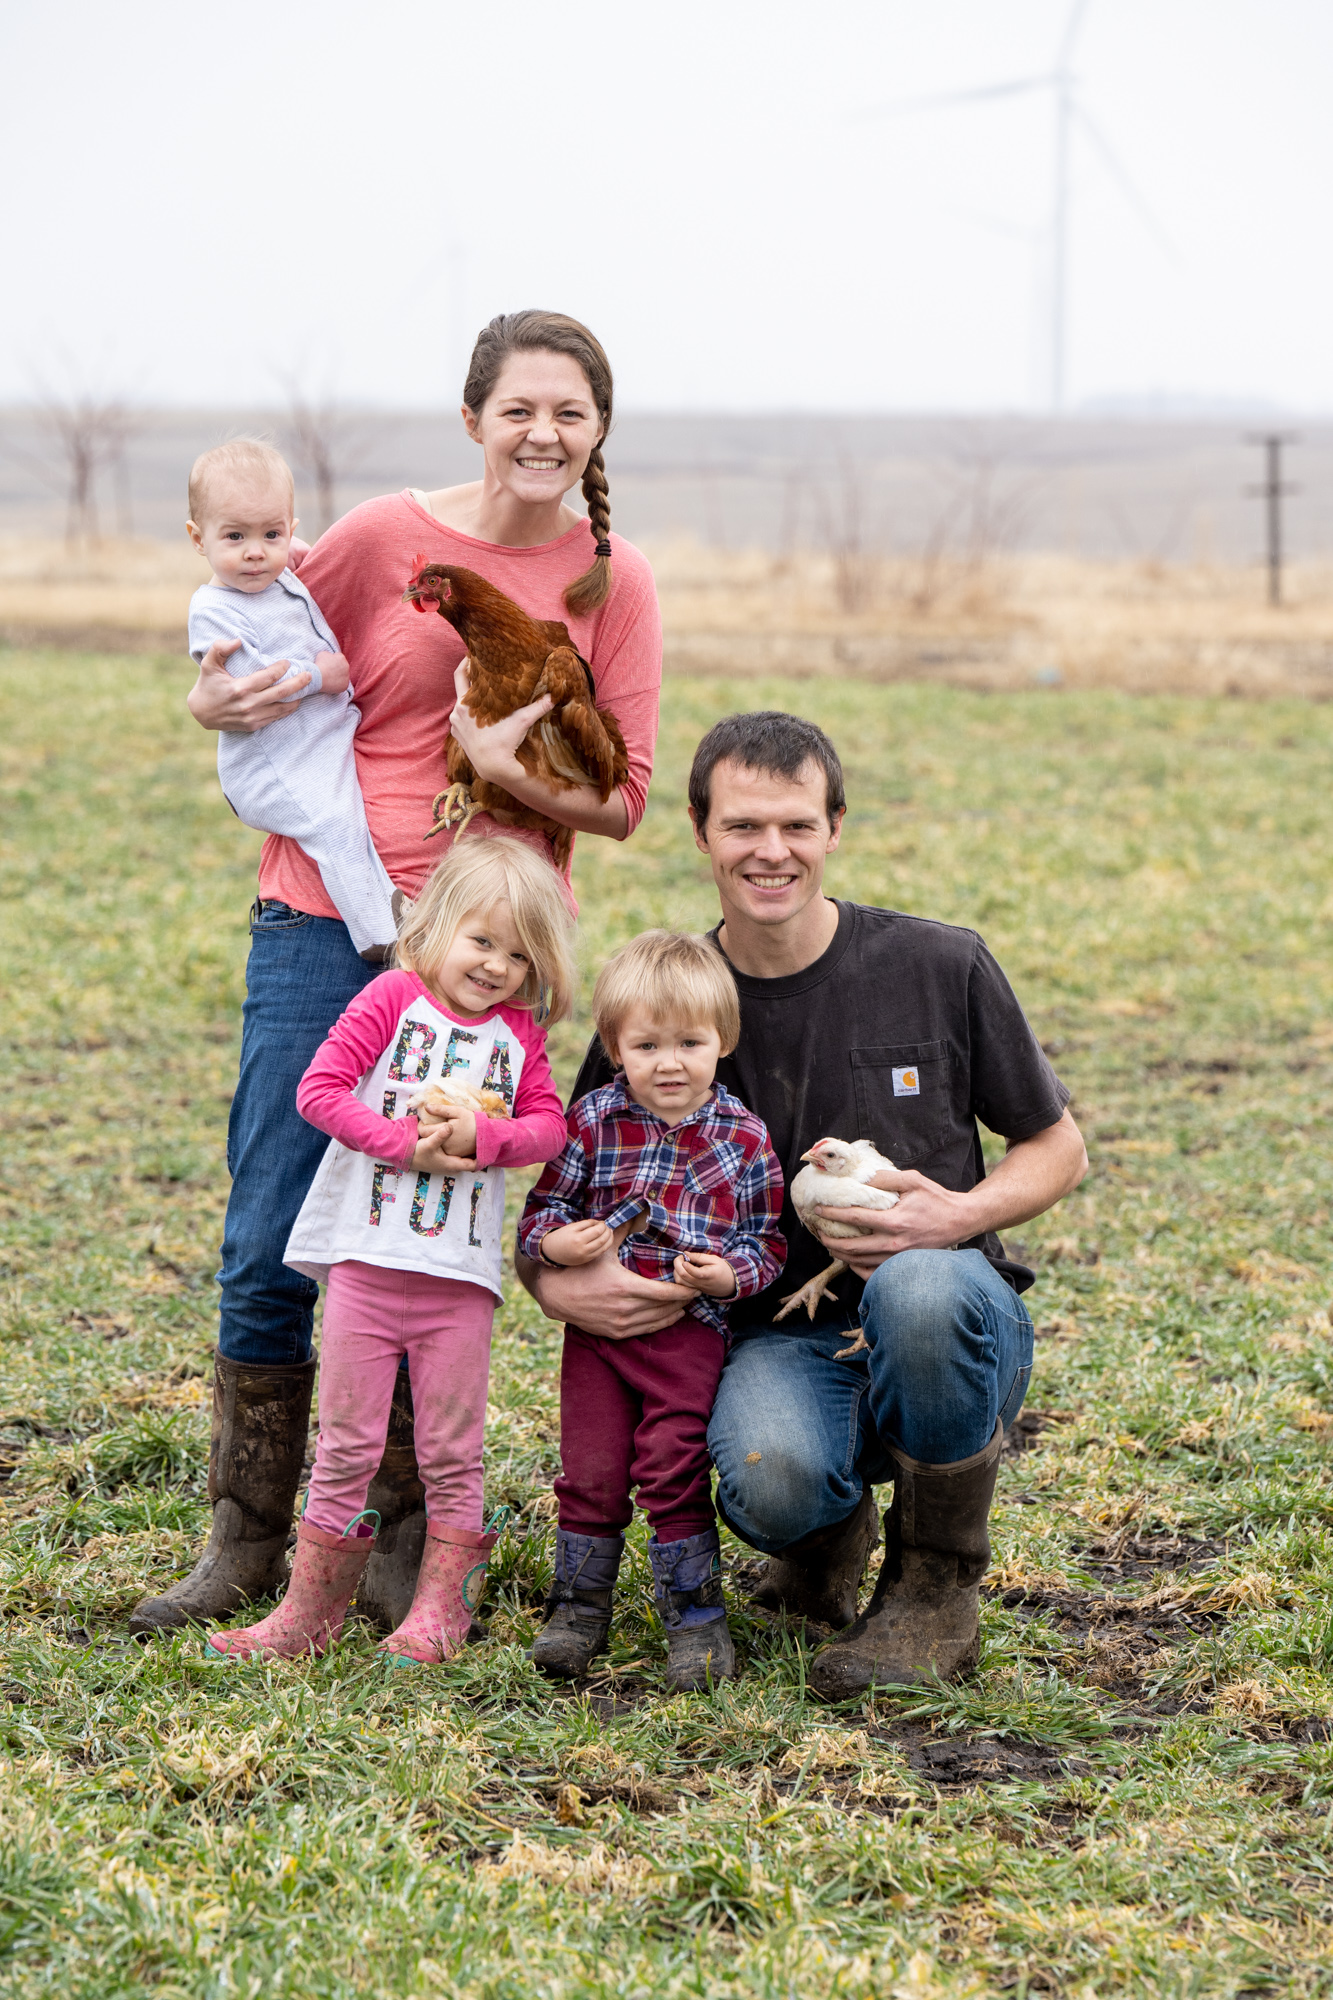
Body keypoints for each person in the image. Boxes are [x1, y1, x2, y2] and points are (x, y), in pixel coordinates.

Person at [131, 310, 662, 1639]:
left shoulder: (615, 581)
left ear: (597, 432)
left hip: (493, 954)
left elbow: (628, 800)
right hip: (326, 917)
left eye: (571, 414)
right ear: (475, 416)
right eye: (519, 409)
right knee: (268, 1236)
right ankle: (249, 1537)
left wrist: (494, 775)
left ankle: (400, 1539)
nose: (543, 434)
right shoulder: (378, 539)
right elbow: (246, 611)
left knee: (435, 1239)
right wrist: (207, 701)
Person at [518, 711, 1088, 1696]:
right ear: (699, 831)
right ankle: (822, 1537)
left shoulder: (938, 964)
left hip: (948, 1319)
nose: (769, 851)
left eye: (794, 824)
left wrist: (952, 1215)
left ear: (834, 828)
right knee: (768, 1470)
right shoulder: (671, 1006)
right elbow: (566, 1177)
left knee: (917, 1291)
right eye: (742, 826)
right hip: (774, 1336)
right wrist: (557, 1286)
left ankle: (932, 1589)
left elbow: (1057, 1145)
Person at [206, 836, 572, 1664]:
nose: (495, 966)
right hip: (366, 1266)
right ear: (435, 923)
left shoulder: (519, 1037)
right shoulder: (391, 999)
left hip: (457, 1282)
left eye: (518, 955)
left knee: (453, 1446)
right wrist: (401, 1146)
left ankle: (442, 1611)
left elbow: (549, 1128)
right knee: (345, 1441)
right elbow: (318, 1090)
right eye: (481, 941)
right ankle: (309, 1612)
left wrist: (487, 1135)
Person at [517, 932, 786, 1690]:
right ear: (613, 1047)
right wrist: (560, 1246)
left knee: (672, 1467)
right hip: (597, 1339)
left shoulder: (742, 1138)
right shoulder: (593, 1122)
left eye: (689, 1043)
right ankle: (576, 1607)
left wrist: (726, 1275)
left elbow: (765, 1243)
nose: (669, 1063)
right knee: (591, 1470)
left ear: (721, 1041)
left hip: (686, 1335)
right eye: (646, 1045)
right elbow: (541, 1215)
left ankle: (695, 1617)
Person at [186, 439, 399, 960]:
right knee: (334, 826)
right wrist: (321, 675)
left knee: (355, 812)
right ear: (198, 538)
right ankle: (378, 937)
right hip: (271, 761)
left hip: (313, 741)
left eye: (271, 534)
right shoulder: (214, 608)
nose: (255, 551)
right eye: (234, 536)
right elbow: (256, 684)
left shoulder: (278, 573)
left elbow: (298, 559)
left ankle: (389, 905)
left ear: (290, 530)